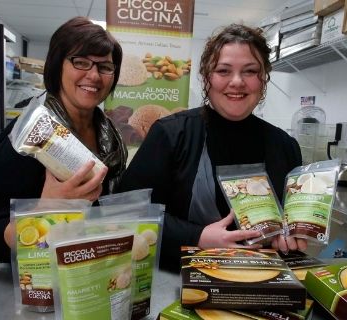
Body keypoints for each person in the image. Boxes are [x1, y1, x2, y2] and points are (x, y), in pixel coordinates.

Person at [119, 24, 306, 272]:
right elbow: (125, 214)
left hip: (261, 283)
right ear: (207, 77)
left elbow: (293, 223)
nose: (237, 82)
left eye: (250, 71)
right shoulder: (173, 133)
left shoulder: (285, 146)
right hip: (180, 284)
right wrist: (196, 237)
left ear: (263, 78)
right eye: (223, 71)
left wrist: (290, 235)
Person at [0, 17, 127, 262]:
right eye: (80, 62)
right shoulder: (26, 140)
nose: (94, 76)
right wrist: (47, 209)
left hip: (96, 269)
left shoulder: (111, 135)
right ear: (57, 65)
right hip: (42, 282)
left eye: (105, 67)